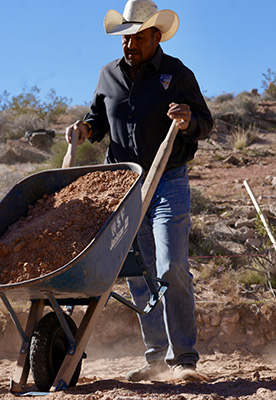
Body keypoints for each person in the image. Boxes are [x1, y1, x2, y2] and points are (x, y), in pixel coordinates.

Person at [66, 0, 213, 382]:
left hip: (168, 180)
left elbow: (205, 122)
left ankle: (183, 359)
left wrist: (188, 121)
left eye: (138, 38)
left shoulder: (176, 73)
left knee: (171, 265)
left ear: (156, 36)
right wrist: (84, 130)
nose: (129, 44)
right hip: (125, 186)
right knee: (139, 272)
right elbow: (98, 120)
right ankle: (156, 358)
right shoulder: (108, 75)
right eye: (125, 38)